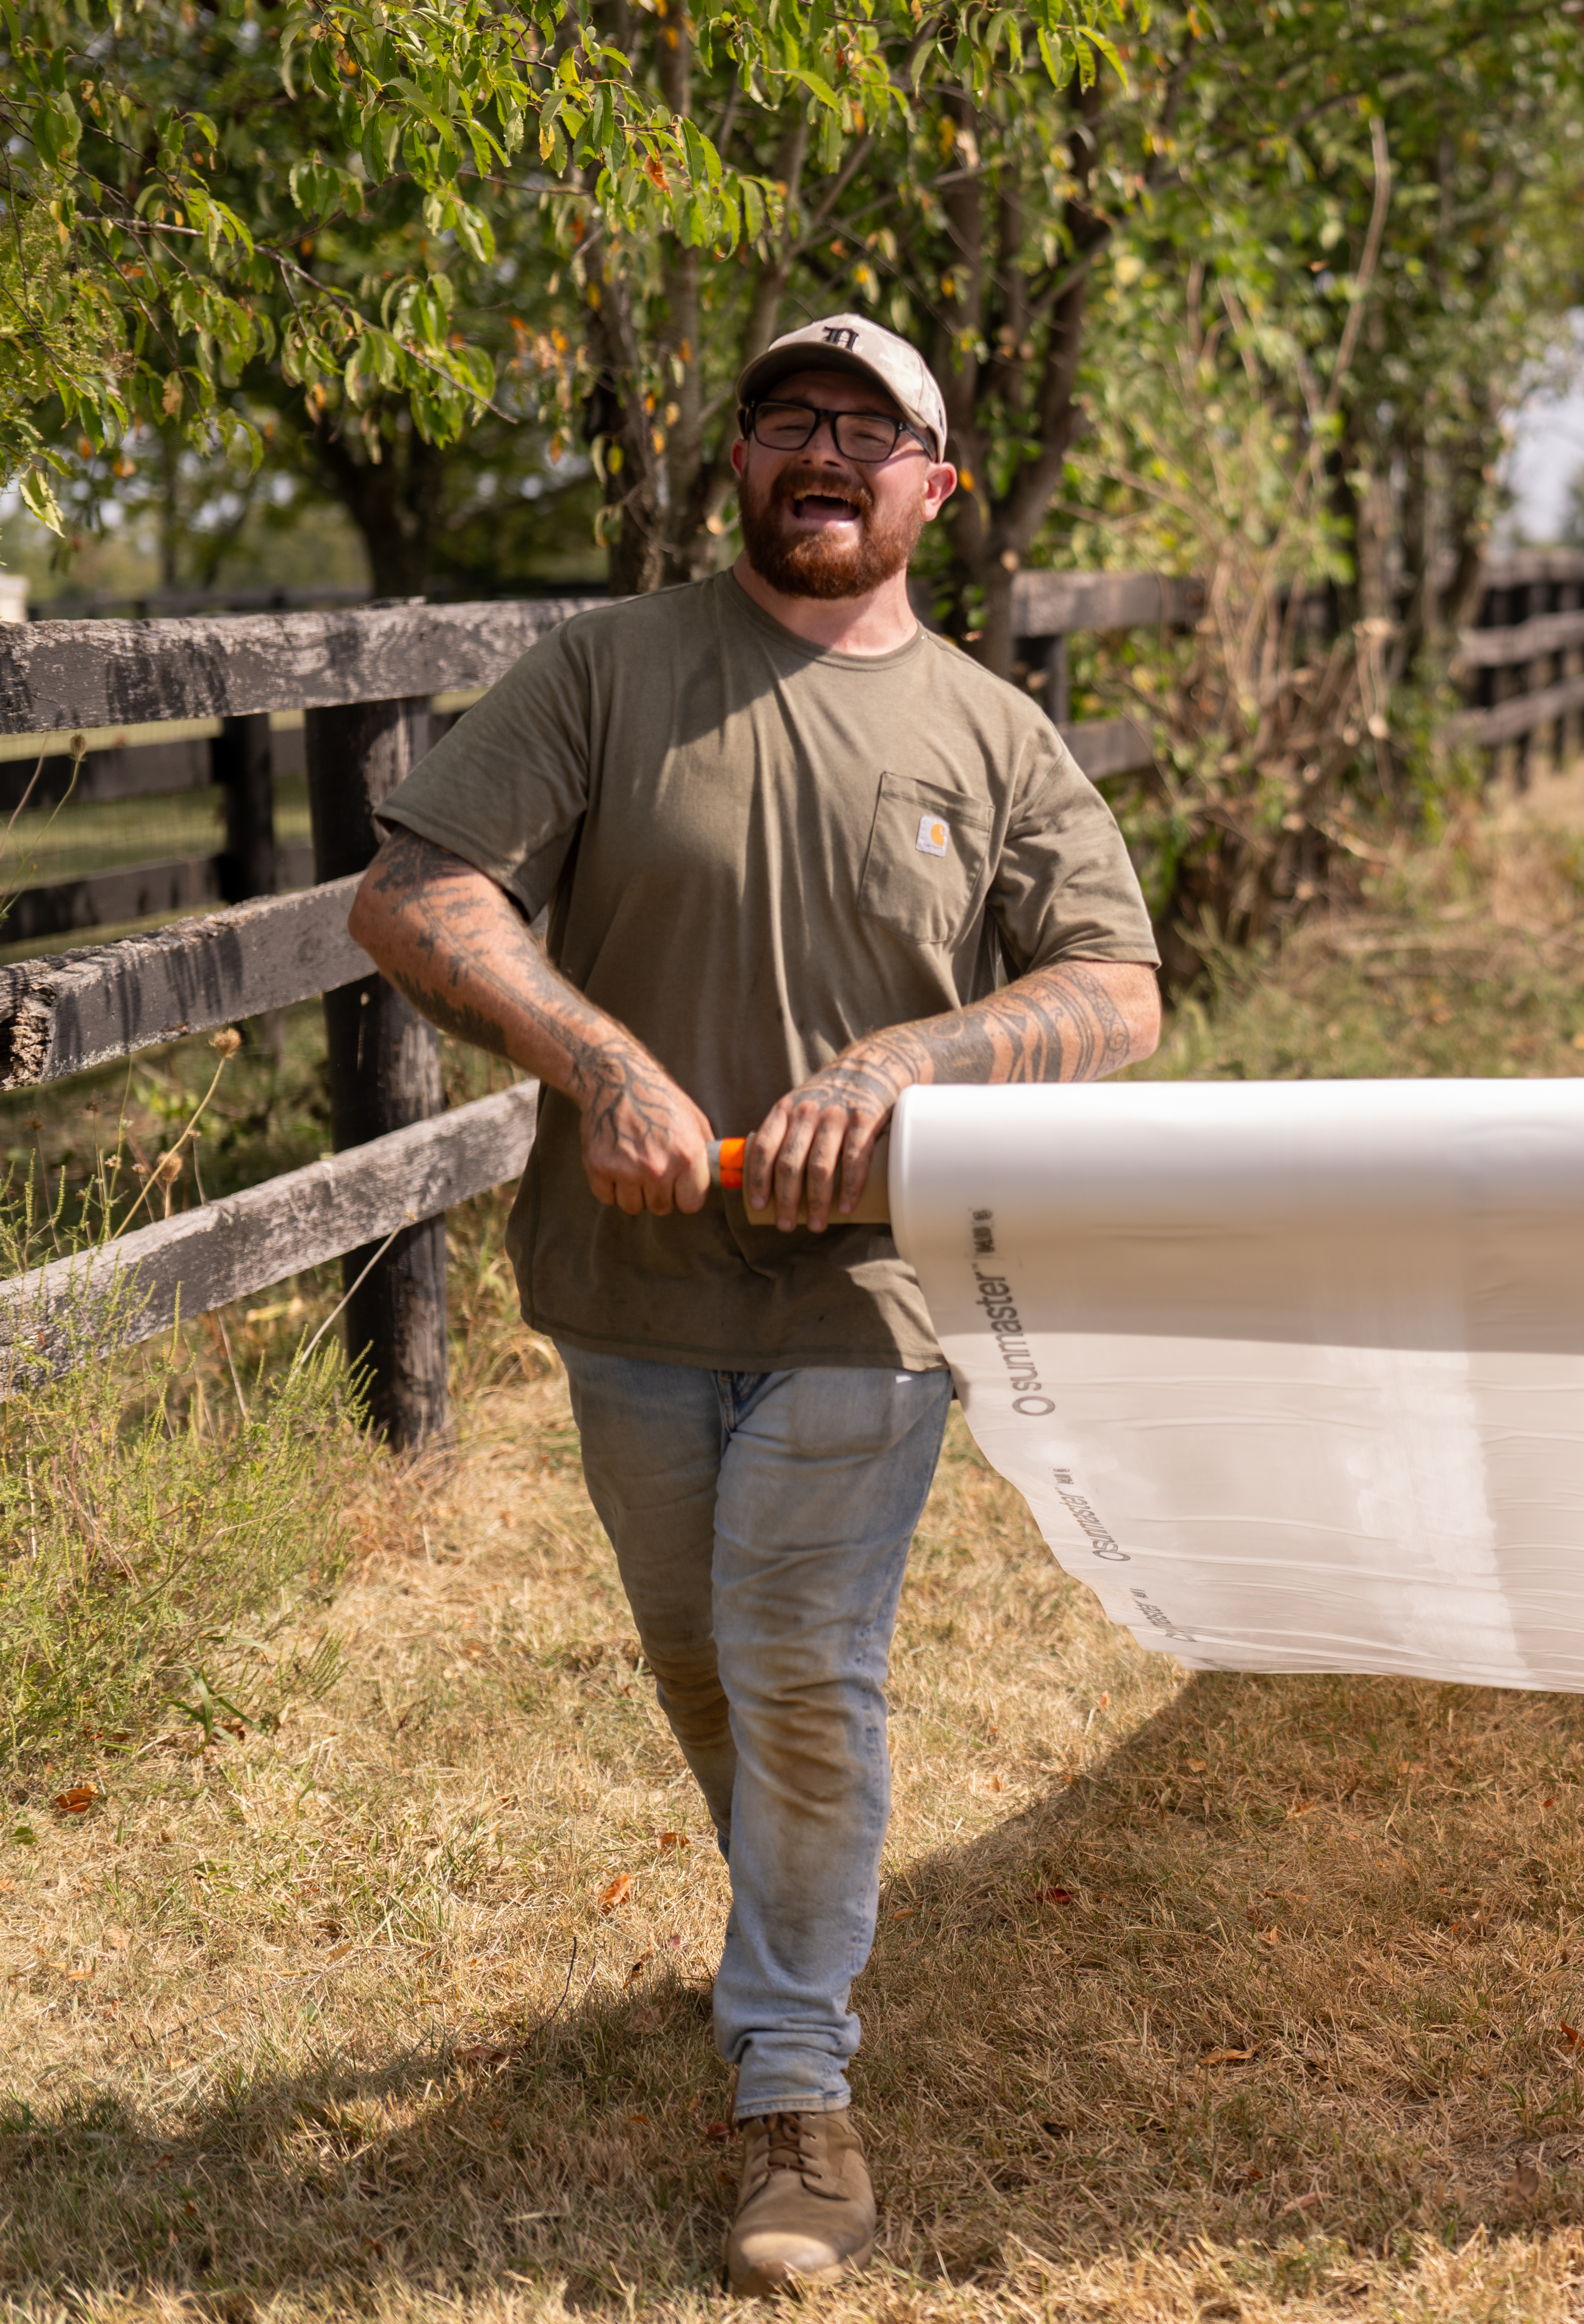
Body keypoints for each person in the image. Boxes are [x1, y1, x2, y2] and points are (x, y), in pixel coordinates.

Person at [347, 314, 1166, 2292]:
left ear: (935, 491)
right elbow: (418, 890)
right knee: (702, 1659)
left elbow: (1118, 988)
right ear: (739, 460)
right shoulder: (610, 670)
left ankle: (795, 2082)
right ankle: (784, 1933)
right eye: (791, 418)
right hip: (627, 1276)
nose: (827, 452)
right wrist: (601, 1063)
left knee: (798, 1655)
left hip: (874, 1297)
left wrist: (908, 1067)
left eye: (870, 433)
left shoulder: (990, 731)